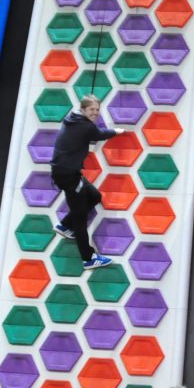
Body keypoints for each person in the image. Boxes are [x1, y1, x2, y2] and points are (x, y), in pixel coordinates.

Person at [50, 94, 124, 270]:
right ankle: (88, 258)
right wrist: (116, 131)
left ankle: (65, 225)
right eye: (92, 110)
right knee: (80, 217)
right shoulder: (84, 126)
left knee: (94, 196)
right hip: (68, 175)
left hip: (68, 172)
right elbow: (98, 134)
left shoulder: (73, 118)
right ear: (83, 109)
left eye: (97, 110)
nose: (95, 113)